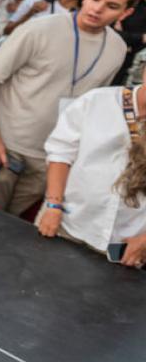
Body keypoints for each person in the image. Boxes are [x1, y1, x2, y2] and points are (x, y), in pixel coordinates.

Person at [0, 0, 137, 216]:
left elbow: (91, 105)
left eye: (112, 6)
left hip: (52, 159)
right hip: (4, 148)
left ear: (125, 13)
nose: (98, 9)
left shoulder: (117, 49)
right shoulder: (40, 28)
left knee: (12, 229)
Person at [37, 83, 146, 267]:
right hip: (67, 223)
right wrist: (53, 205)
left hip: (125, 246)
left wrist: (144, 240)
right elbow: (61, 152)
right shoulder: (97, 100)